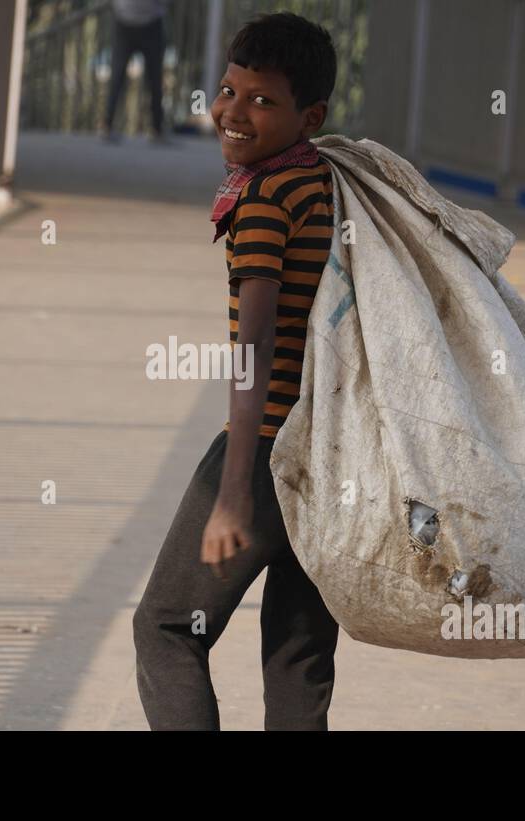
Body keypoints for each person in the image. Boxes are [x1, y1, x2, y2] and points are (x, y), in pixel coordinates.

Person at [132, 13, 340, 730]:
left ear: (309, 114)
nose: (233, 111)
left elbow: (252, 348)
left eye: (262, 100)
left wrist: (231, 494)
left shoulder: (263, 202)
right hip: (333, 458)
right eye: (228, 90)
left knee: (164, 627)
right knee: (297, 658)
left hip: (263, 452)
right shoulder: (326, 181)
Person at [102, 0, 168, 142]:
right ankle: (107, 125)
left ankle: (157, 129)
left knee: (155, 79)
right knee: (117, 75)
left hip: (152, 23)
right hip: (124, 22)